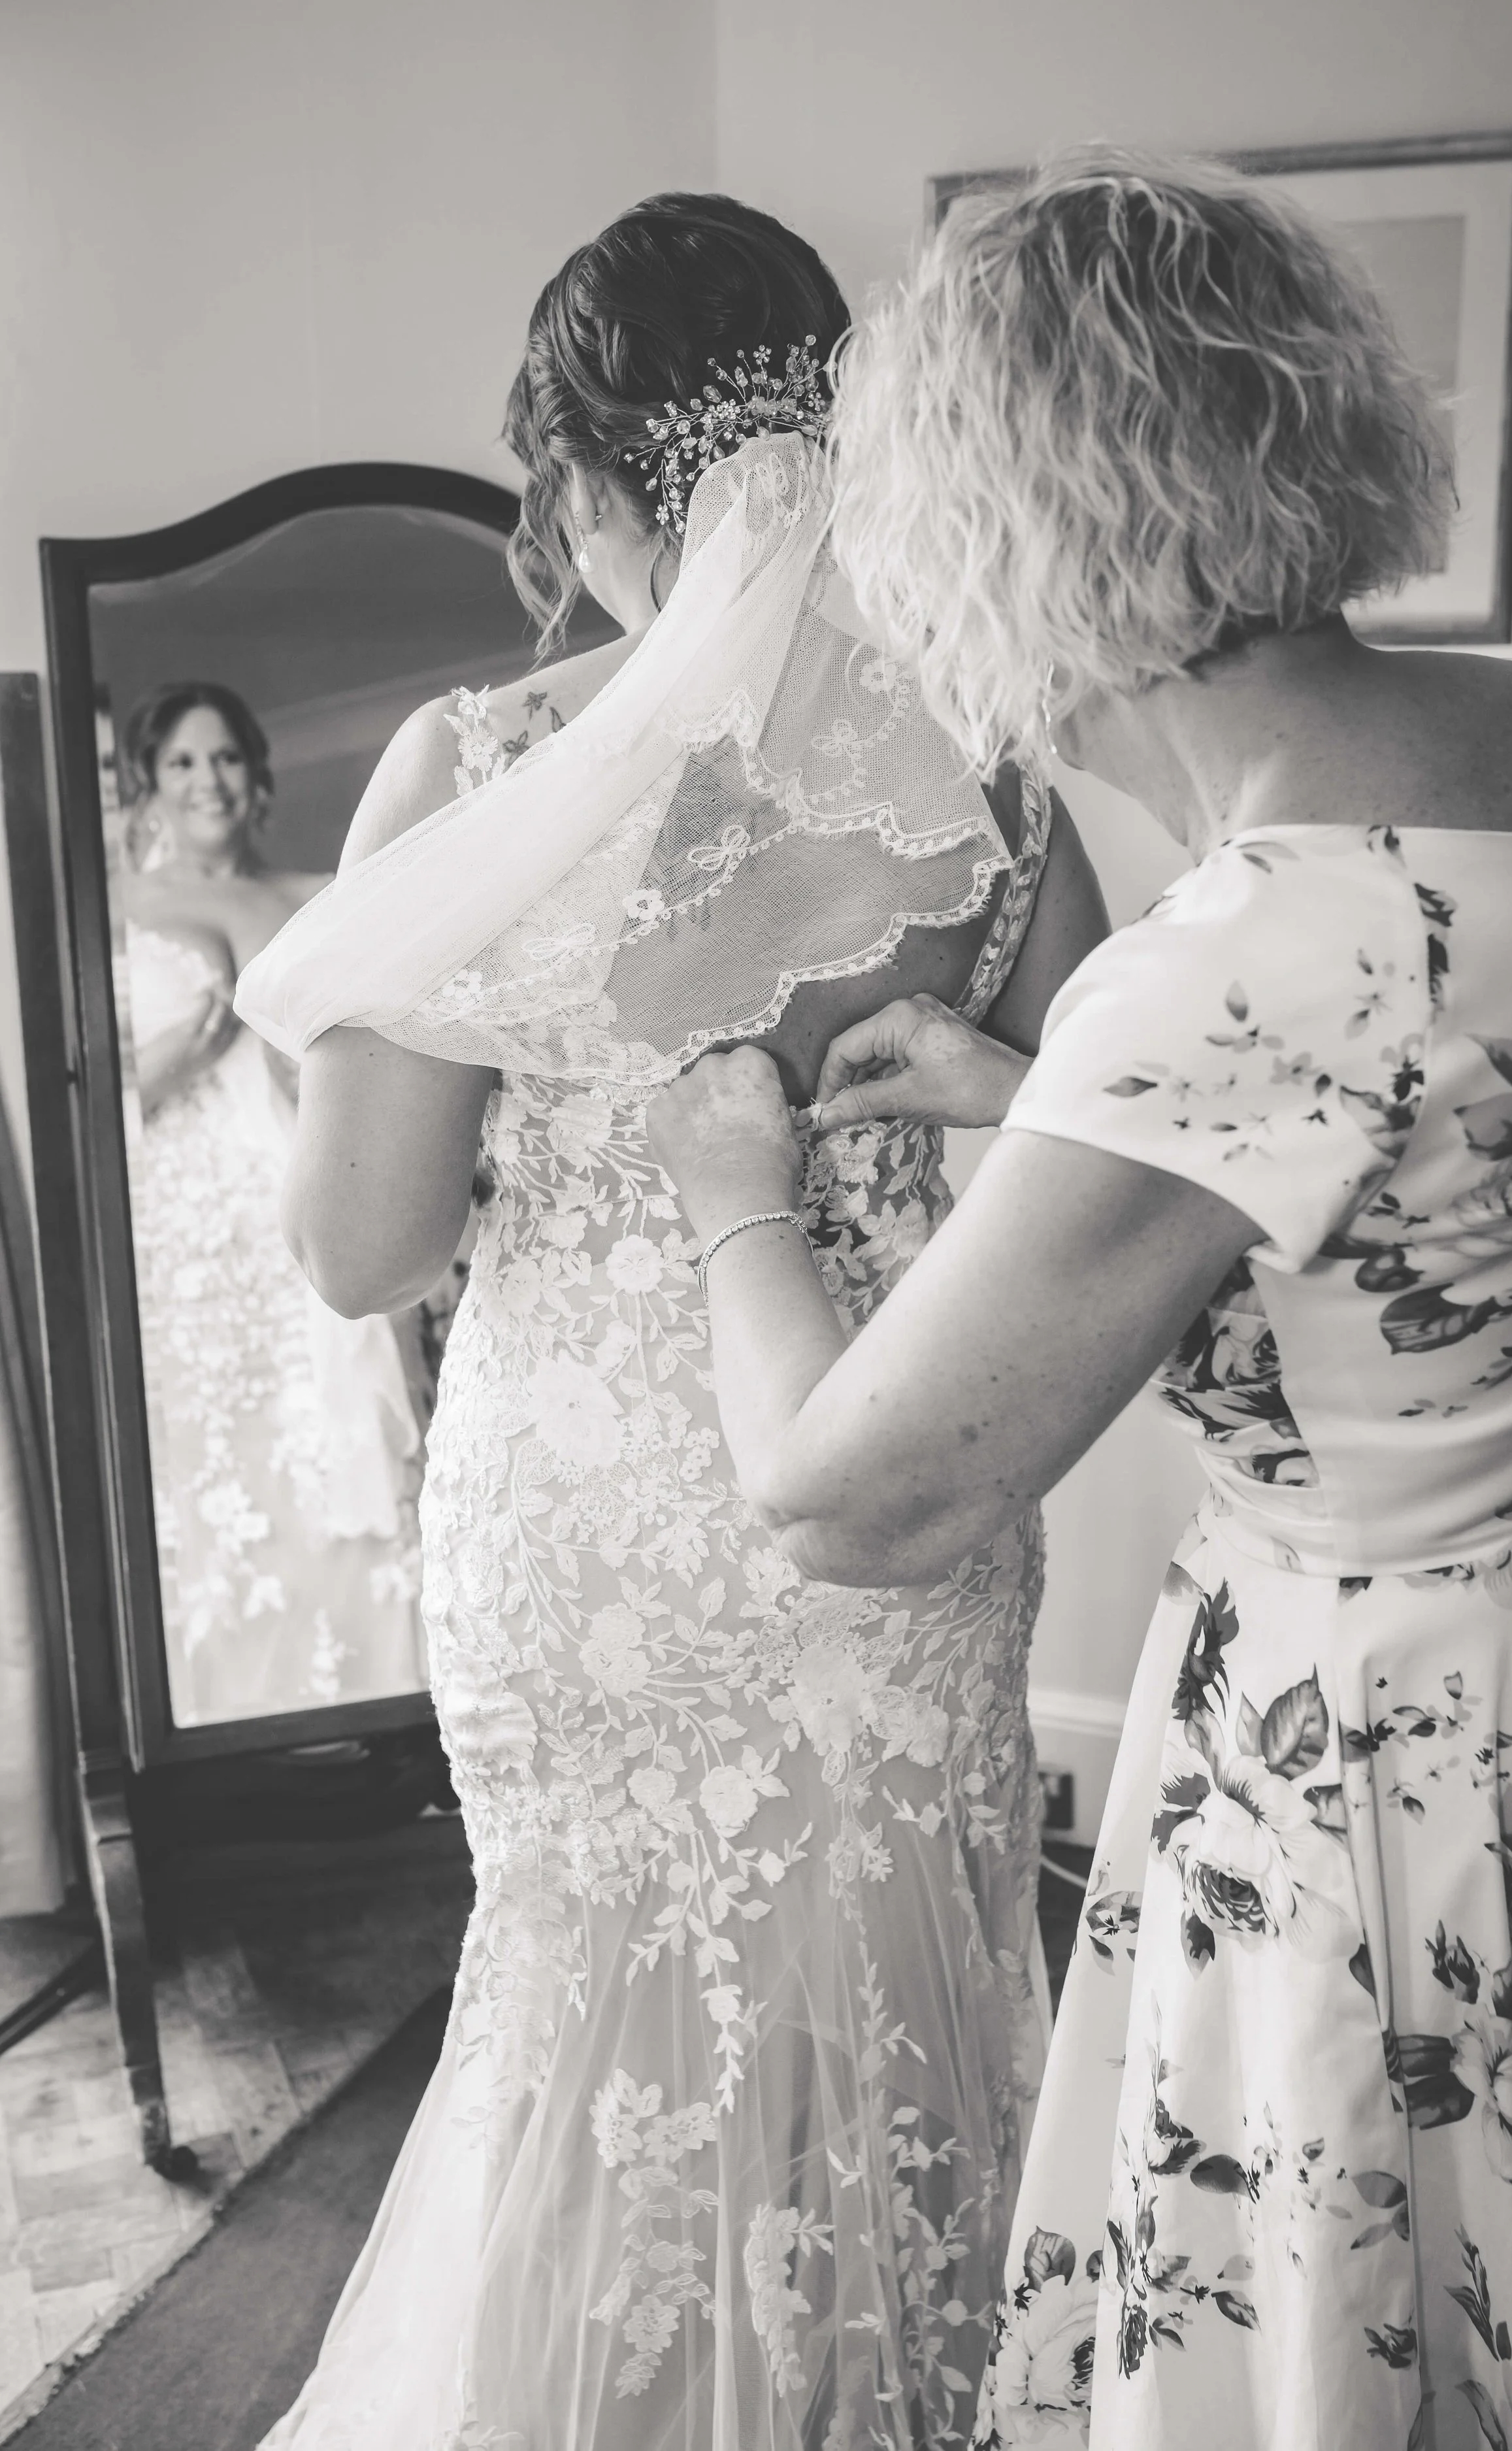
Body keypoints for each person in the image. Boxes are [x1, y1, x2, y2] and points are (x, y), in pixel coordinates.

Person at [645, 152, 1512, 2450]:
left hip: (1357, 1779)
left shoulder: (1221, 962)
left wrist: (727, 1197)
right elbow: (1431, 1155)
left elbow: (847, 1499)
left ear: (1015, 533)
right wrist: (1029, 1097)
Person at [233, 192, 1108, 2449]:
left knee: (592, 2047)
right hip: (890, 1493)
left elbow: (364, 1248)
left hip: (594, 1552)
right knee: (901, 2035)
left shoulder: (482, 771)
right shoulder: (991, 772)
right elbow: (1101, 1185)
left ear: (592, 483)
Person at [118, 682, 425, 1724]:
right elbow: (84, 1092)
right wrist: (172, 1059)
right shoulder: (114, 909)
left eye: (227, 760)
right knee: (226, 1456)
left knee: (332, 1442)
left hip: (307, 1185)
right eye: (183, 764)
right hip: (190, 1233)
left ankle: (384, 1713)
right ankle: (225, 1723)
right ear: (147, 789)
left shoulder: (316, 893)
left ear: (259, 780)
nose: (209, 781)